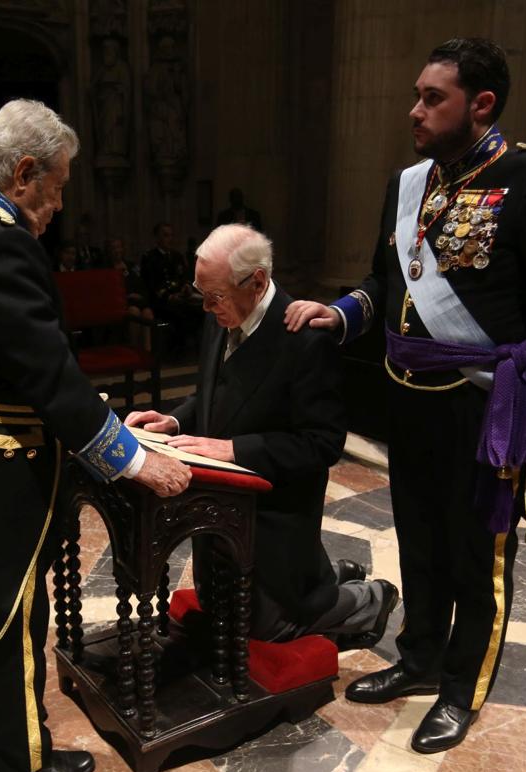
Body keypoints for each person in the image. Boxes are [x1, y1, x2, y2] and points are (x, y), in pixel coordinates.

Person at [285, 38, 526, 753]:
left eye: (434, 98)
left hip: (488, 407)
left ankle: (463, 687)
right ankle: (421, 657)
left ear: (481, 104)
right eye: (418, 95)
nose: (415, 110)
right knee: (422, 543)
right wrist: (341, 314)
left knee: (477, 556)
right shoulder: (412, 184)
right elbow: (385, 284)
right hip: (411, 399)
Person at [0, 99, 191, 772]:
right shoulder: (0, 243)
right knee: (15, 605)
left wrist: (115, 428)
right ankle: (20, 759)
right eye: (59, 186)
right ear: (25, 172)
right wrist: (130, 458)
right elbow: (48, 375)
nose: (60, 204)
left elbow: (7, 363)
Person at [127, 224, 398, 646]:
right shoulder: (221, 313)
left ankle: (368, 599)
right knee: (220, 612)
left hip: (275, 513)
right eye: (202, 293)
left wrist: (235, 449)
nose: (205, 306)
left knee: (268, 630)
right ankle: (331, 575)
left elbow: (322, 443)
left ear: (256, 282)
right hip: (221, 508)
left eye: (213, 295)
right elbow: (215, 391)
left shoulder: (306, 340)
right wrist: (177, 421)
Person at [140, 222, 202, 346]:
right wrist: (168, 296)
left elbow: (184, 277)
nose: (169, 239)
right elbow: (151, 283)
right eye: (165, 235)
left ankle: (197, 349)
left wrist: (187, 286)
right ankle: (177, 351)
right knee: (179, 314)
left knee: (202, 310)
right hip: (161, 300)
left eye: (171, 235)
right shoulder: (150, 257)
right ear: (157, 238)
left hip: (180, 296)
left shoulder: (177, 256)